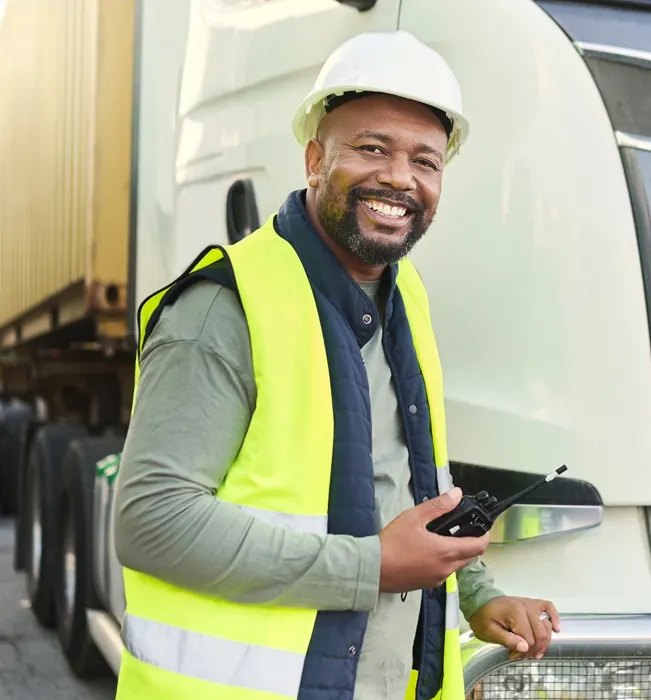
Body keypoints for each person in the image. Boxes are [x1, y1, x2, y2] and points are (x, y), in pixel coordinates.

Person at [112, 30, 560, 700]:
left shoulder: (405, 295)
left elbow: (411, 481)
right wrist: (372, 566)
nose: (399, 178)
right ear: (315, 158)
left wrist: (476, 596)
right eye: (372, 148)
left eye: (425, 161)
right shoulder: (223, 309)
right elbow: (152, 521)